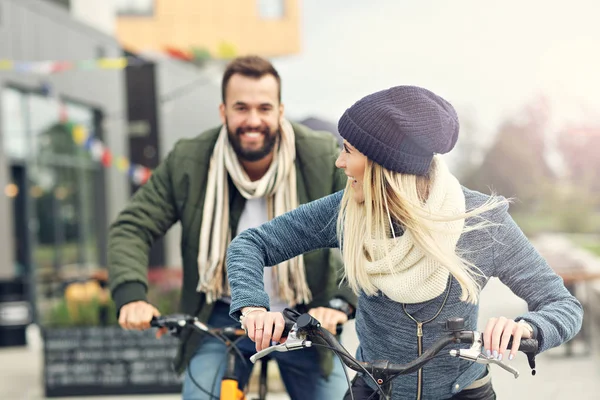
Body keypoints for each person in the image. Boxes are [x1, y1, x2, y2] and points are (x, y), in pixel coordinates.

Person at [225, 85, 584, 399]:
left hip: (463, 393)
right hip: (374, 388)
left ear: (384, 164)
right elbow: (251, 244)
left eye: (348, 150)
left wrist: (527, 328)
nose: (339, 161)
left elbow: (562, 305)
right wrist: (253, 308)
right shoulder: (345, 211)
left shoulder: (480, 221)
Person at [108, 55, 356, 400]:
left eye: (264, 108)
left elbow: (362, 233)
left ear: (280, 111)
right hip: (223, 311)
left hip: (304, 313)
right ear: (223, 111)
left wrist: (339, 301)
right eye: (241, 108)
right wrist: (131, 295)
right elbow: (132, 226)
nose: (253, 120)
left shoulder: (321, 155)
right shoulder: (189, 160)